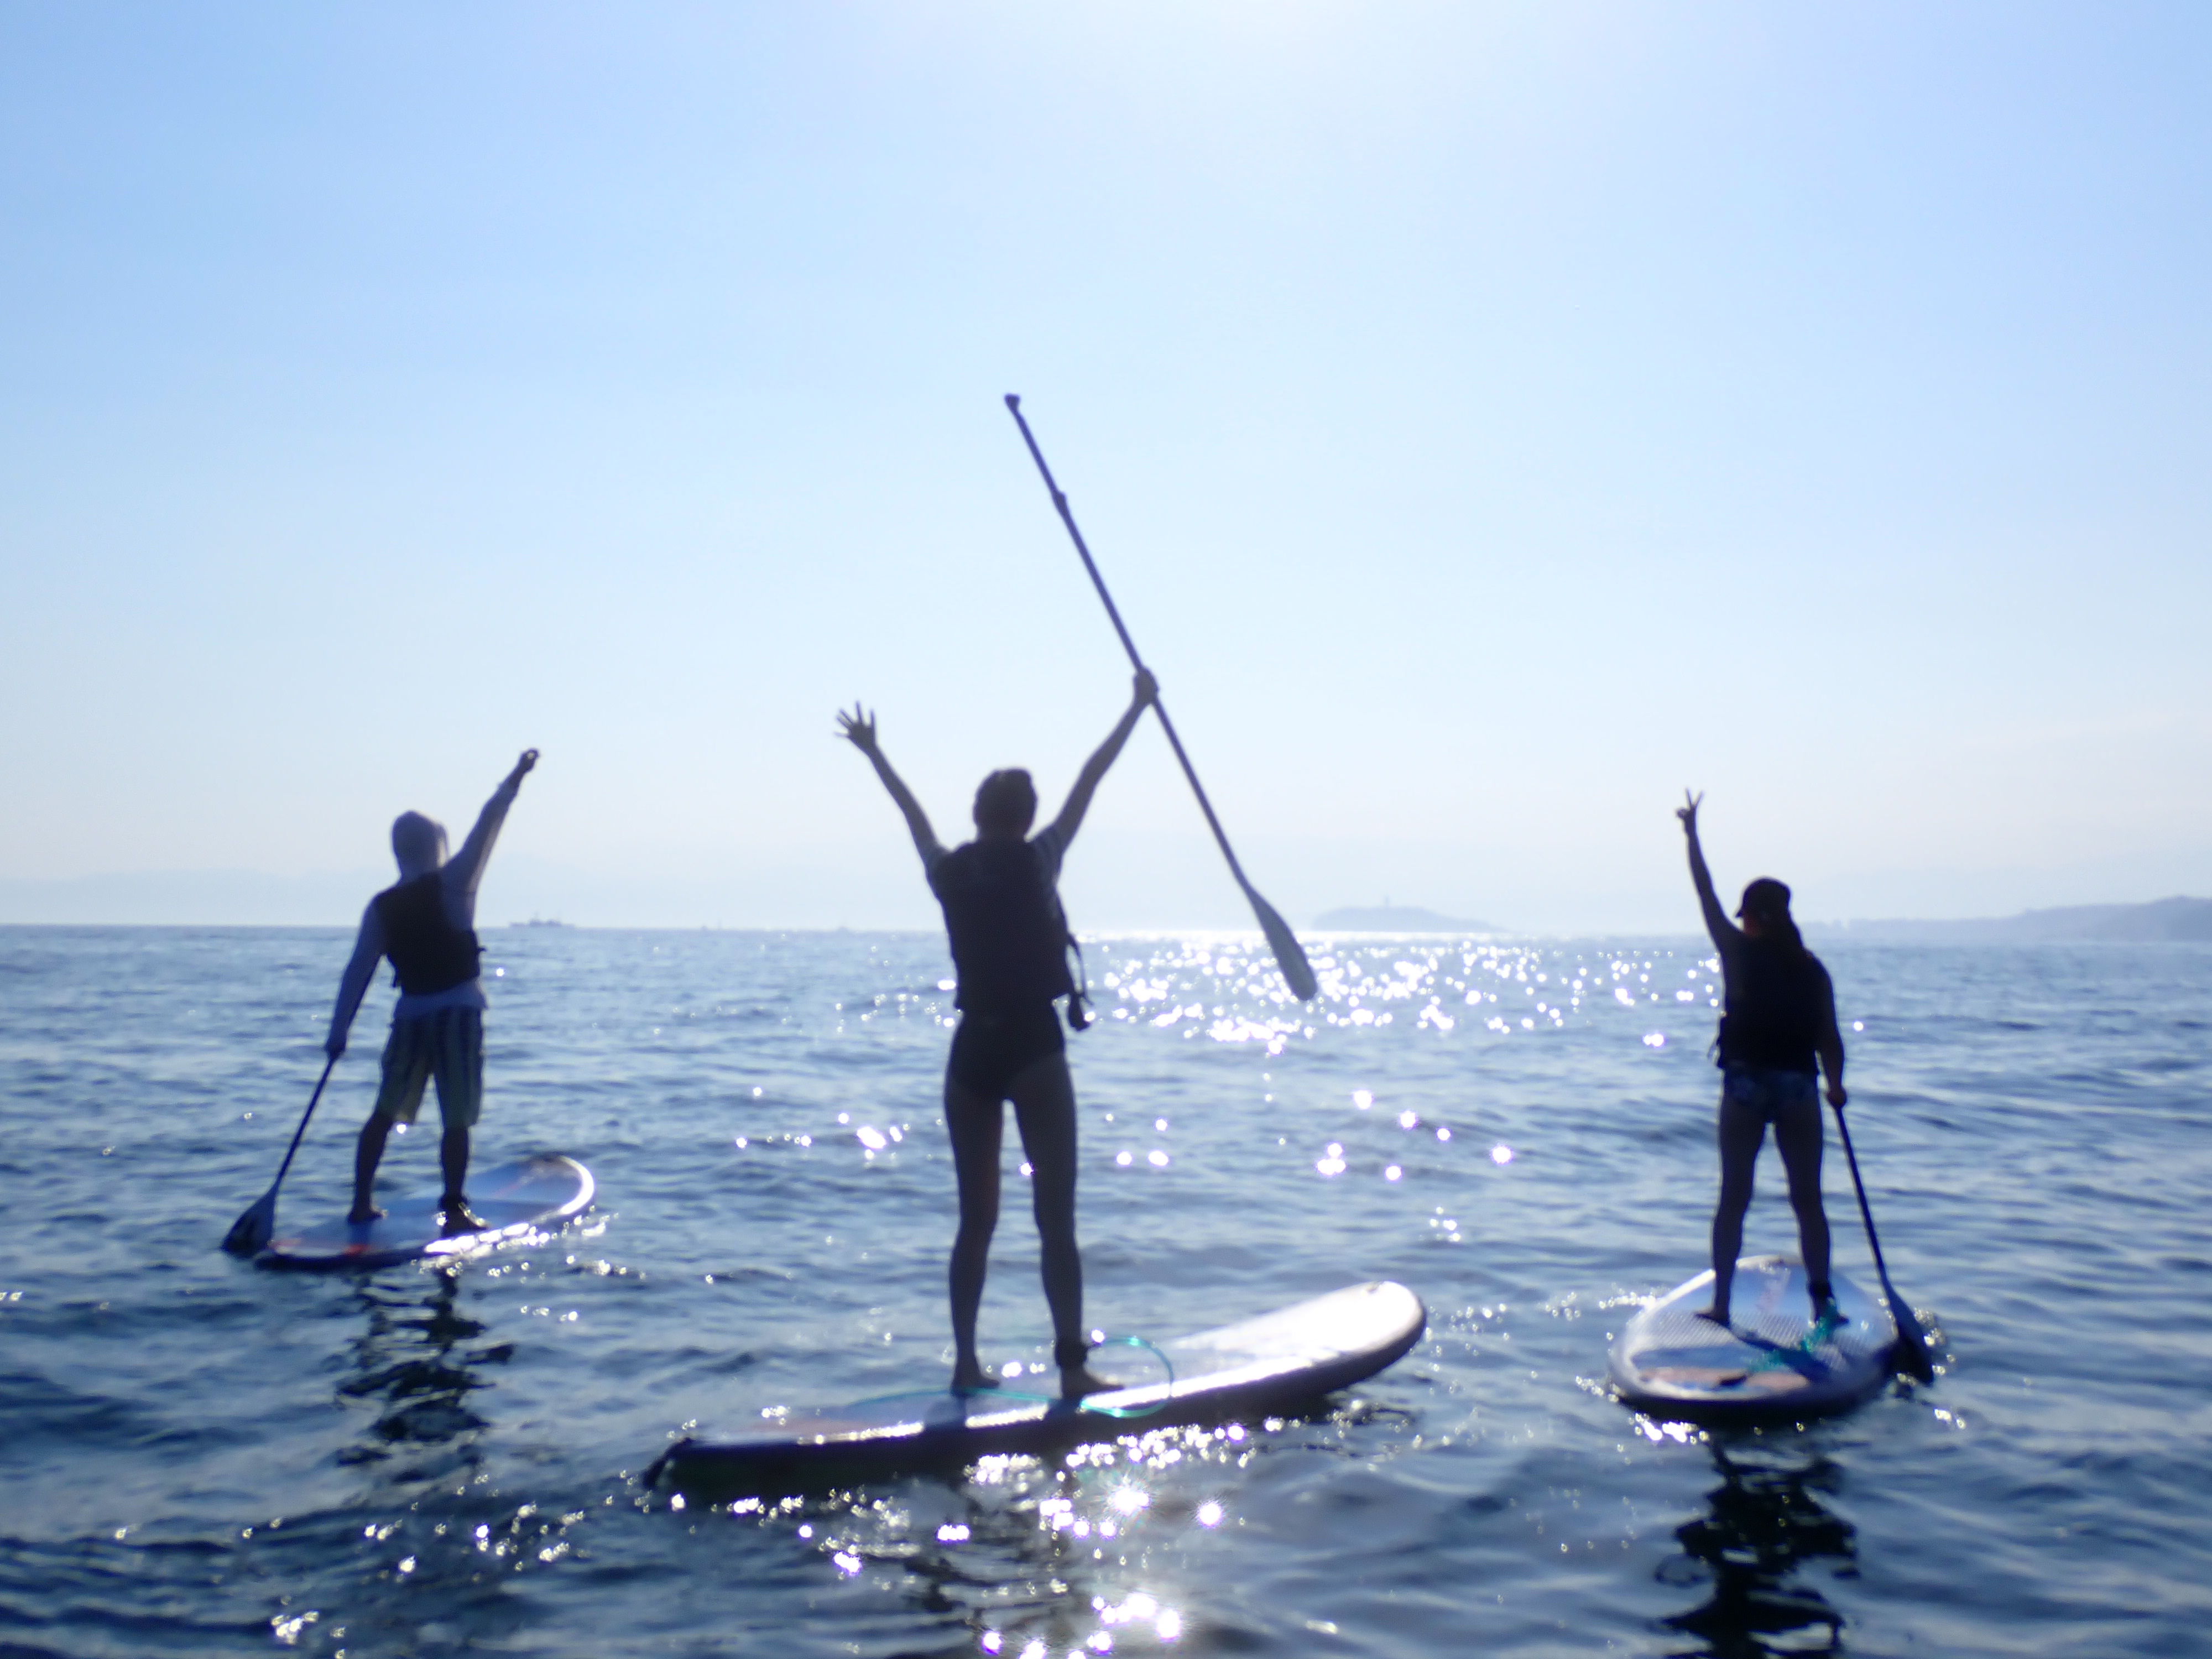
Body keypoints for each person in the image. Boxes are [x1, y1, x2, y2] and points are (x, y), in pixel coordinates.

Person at [838, 672, 1157, 1398]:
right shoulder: (1041, 858)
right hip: (1034, 1049)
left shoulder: (948, 870)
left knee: (975, 1221)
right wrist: (1136, 709)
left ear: (979, 814)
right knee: (1056, 1220)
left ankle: (964, 1365)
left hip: (971, 1056)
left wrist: (874, 754)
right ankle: (1073, 1372)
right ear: (1026, 818)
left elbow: (913, 818)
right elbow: (1091, 779)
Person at [326, 749, 539, 1236]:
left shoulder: (381, 906)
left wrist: (338, 1033)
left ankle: (361, 1202)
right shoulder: (456, 882)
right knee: (457, 1117)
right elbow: (491, 820)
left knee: (385, 1110)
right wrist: (517, 775)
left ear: (397, 851)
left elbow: (357, 972)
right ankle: (454, 1207)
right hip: (458, 1016)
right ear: (438, 846)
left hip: (410, 1019)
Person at [1676, 790, 1846, 1328]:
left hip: (1746, 1089)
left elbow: (1703, 892)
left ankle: (1723, 1304)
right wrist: (1836, 1086)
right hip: (1798, 1090)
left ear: (1753, 917)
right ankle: (1822, 1304)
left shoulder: (1737, 953)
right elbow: (1829, 1037)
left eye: (1745, 915)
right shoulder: (1811, 968)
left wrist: (1692, 837)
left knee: (1734, 1197)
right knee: (1808, 1201)